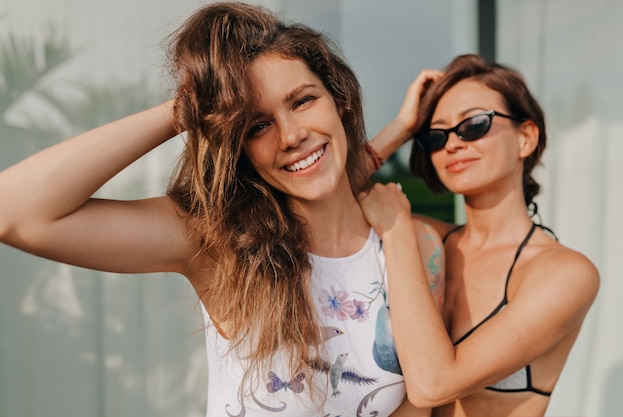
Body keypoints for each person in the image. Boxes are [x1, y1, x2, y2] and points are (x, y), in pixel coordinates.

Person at [0, 3, 444, 416]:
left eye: (303, 100)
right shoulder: (223, 245)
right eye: (257, 125)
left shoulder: (408, 249)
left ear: (339, 98)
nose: (290, 135)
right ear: (239, 147)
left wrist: (400, 131)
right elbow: (14, 212)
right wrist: (185, 109)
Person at [358, 54, 600, 417]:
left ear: (526, 138)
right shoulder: (427, 239)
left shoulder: (564, 273)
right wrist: (402, 126)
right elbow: (312, 198)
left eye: (473, 124)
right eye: (435, 135)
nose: (453, 143)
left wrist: (395, 233)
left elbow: (432, 384)